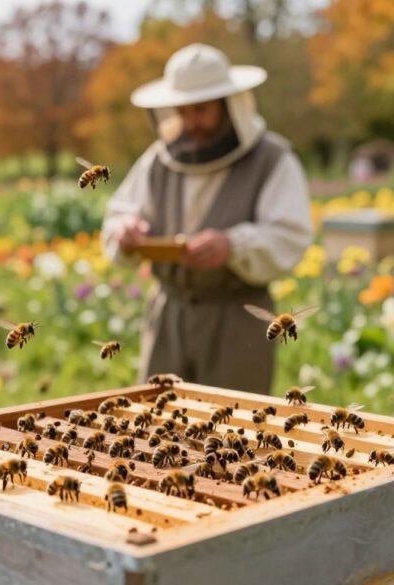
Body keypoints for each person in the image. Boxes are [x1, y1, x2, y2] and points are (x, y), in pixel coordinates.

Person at [102, 43, 313, 393]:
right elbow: (122, 213)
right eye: (182, 111)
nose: (190, 121)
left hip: (238, 319)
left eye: (200, 110)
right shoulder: (157, 159)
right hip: (168, 314)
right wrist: (125, 230)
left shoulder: (272, 159)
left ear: (229, 105)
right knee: (157, 431)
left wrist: (233, 245)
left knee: (234, 435)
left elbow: (290, 235)